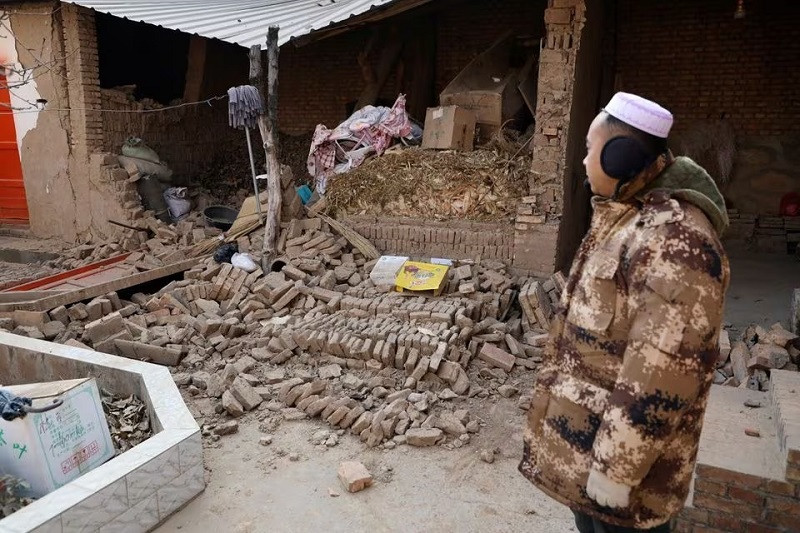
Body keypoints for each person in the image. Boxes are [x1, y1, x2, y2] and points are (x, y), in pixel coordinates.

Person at [518, 92, 730, 533]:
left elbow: (661, 372)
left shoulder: (675, 242)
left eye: (589, 150)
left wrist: (615, 473)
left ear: (620, 157)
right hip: (589, 454)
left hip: (624, 479)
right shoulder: (625, 218)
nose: (583, 161)